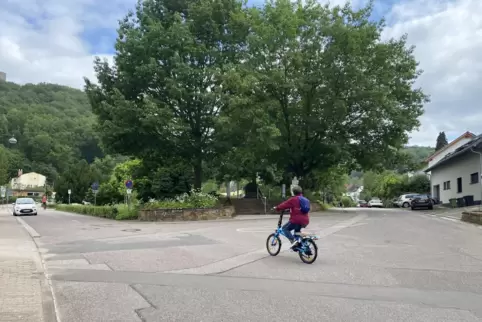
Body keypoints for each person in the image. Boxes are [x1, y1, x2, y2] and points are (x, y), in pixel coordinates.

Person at [273, 185, 310, 251]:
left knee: (284, 229)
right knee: (297, 232)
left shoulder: (294, 199)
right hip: (305, 220)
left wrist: (277, 208)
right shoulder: (305, 200)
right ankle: (300, 247)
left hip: (296, 220)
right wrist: (290, 209)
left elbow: (284, 204)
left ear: (293, 192)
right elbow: (299, 208)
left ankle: (294, 242)